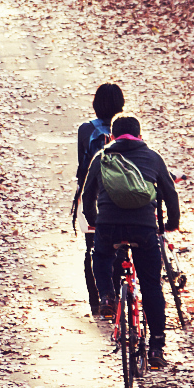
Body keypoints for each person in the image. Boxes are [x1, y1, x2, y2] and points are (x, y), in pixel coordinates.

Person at [81, 113, 180, 369]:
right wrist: (171, 224)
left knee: (101, 255)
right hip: (144, 229)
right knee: (151, 286)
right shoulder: (153, 157)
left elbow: (88, 192)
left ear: (111, 136)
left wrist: (94, 220)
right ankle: (157, 344)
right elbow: (170, 193)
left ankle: (106, 297)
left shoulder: (101, 157)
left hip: (109, 226)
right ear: (140, 135)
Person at [72, 83, 126, 315]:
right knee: (120, 247)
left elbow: (82, 166)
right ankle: (118, 294)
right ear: (121, 105)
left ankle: (98, 301)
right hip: (120, 196)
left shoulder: (86, 130)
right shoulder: (126, 129)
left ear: (95, 105)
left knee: (92, 250)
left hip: (91, 194)